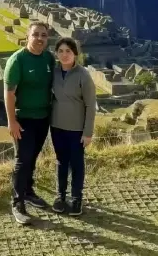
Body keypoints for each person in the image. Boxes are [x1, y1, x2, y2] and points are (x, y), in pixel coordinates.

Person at [4, 21, 55, 225]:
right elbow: (9, 94)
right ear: (28, 36)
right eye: (36, 35)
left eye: (43, 35)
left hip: (43, 118)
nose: (40, 39)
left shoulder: (48, 58)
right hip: (23, 118)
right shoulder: (18, 60)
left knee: (33, 157)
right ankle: (17, 202)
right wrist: (12, 122)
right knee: (23, 160)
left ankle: (28, 191)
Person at [50, 37, 96, 216]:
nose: (64, 55)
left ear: (75, 53)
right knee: (61, 162)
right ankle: (60, 196)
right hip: (57, 125)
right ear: (56, 54)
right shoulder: (54, 72)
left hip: (77, 129)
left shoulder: (83, 75)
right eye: (60, 51)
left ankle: (76, 199)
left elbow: (91, 105)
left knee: (76, 164)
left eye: (68, 51)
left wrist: (88, 132)